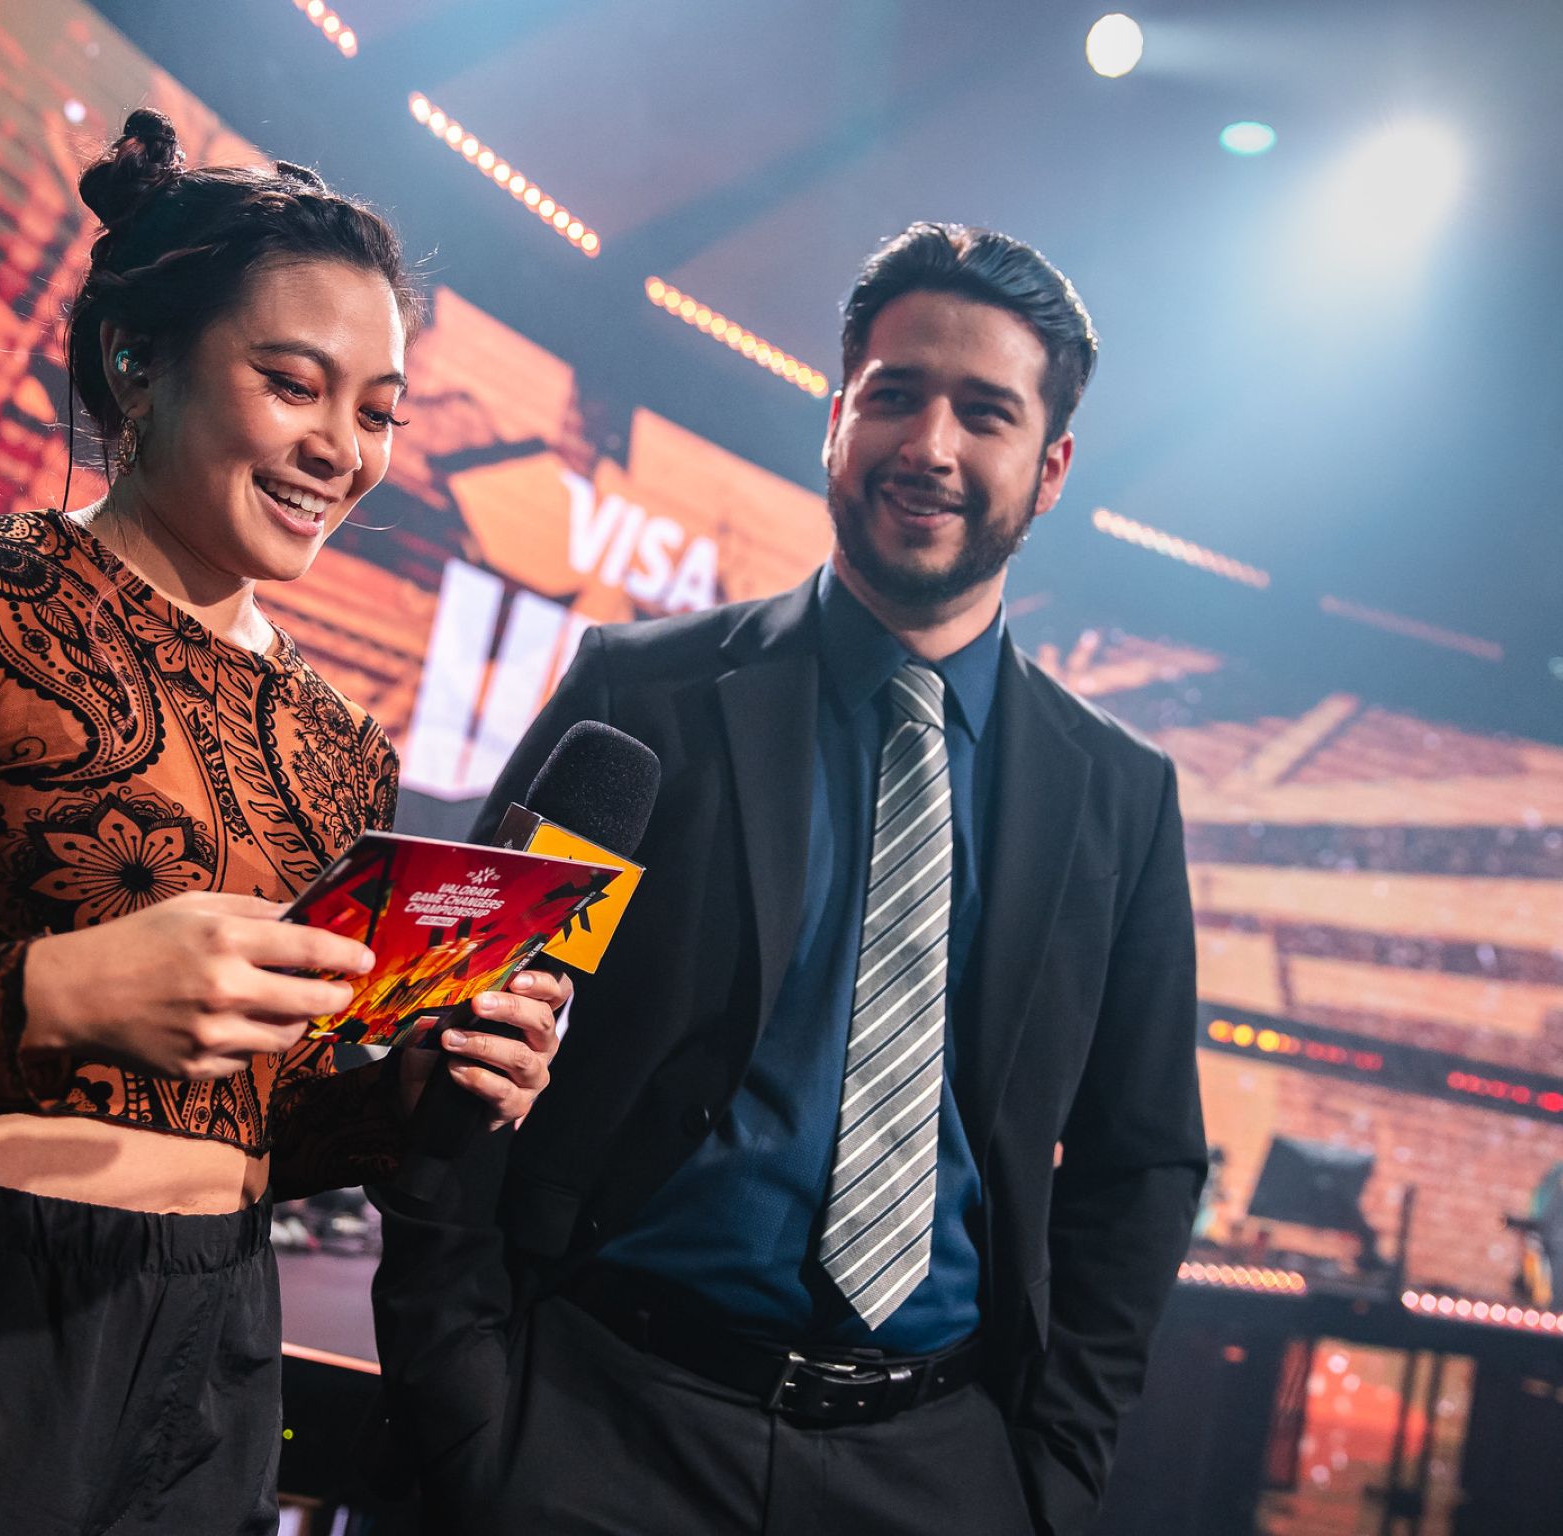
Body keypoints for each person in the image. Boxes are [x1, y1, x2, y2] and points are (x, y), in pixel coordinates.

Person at [0, 109, 564, 1534]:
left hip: (208, 1356)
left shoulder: (342, 752)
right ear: (137, 358)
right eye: (293, 384)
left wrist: (415, 1094)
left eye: (378, 413)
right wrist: (51, 995)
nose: (341, 449)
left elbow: (253, 1125)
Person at [371, 223, 1206, 1536]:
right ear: (836, 421)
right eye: (894, 395)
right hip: (591, 1426)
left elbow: (1143, 1160)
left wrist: (1047, 1481)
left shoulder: (1121, 796)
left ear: (1050, 469)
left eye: (984, 413)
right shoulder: (640, 694)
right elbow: (455, 1027)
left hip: (936, 1472)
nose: (930, 445)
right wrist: (468, 1400)